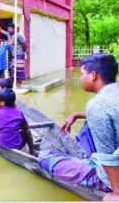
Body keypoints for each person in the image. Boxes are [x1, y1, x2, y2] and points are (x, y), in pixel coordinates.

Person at [38, 54, 119, 199]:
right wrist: (77, 114)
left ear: (93, 75)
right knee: (88, 127)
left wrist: (116, 192)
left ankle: (99, 178)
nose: (79, 78)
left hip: (110, 177)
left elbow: (107, 157)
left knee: (44, 156)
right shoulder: (114, 94)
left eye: (82, 74)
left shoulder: (97, 105)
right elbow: (111, 115)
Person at [0, 88, 34, 155]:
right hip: (17, 146)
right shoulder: (18, 112)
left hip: (1, 145)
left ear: (2, 103)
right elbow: (27, 127)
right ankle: (32, 153)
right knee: (28, 132)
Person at [0, 23, 27, 87]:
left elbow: (24, 45)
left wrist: (22, 51)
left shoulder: (18, 35)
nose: (9, 30)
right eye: (8, 29)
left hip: (19, 55)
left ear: (14, 29)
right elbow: (1, 30)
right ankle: (14, 82)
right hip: (13, 55)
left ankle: (19, 83)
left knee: (19, 69)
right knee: (13, 69)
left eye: (10, 29)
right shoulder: (8, 34)